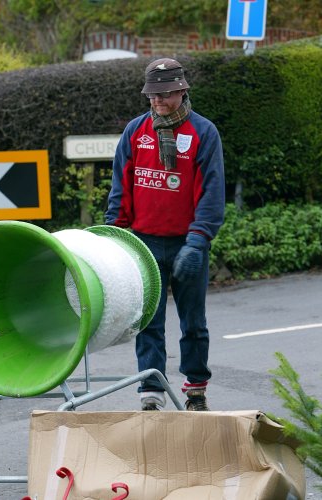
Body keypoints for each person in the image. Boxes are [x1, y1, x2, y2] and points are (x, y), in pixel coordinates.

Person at [105, 58, 225, 411]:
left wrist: (198, 241)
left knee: (193, 324)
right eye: (152, 95)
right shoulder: (136, 131)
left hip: (188, 243)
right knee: (148, 323)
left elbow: (211, 193)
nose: (158, 101)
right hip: (144, 243)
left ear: (182, 90)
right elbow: (121, 186)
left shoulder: (203, 133)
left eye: (165, 94)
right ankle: (151, 392)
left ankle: (196, 390)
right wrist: (114, 234)